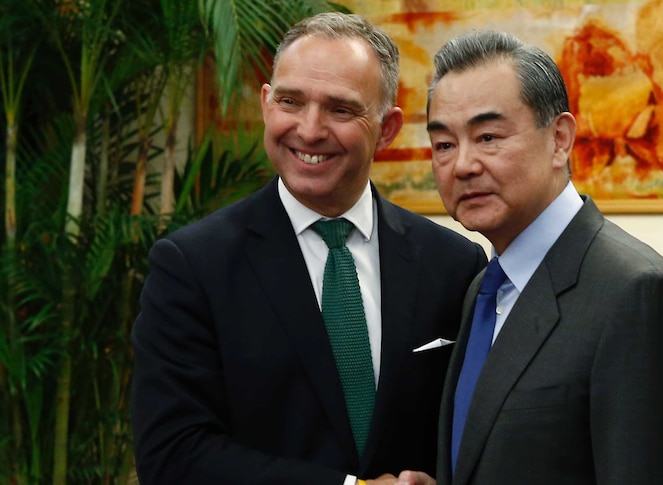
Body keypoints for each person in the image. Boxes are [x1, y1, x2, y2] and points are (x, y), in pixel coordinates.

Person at [131, 13, 486, 485]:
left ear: (387, 127)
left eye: (341, 110)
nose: (310, 129)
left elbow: (474, 432)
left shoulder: (456, 265)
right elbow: (173, 454)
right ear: (265, 104)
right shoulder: (192, 266)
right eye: (290, 102)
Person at [425, 30, 663, 484]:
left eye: (488, 136)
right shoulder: (485, 287)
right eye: (443, 144)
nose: (462, 164)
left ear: (559, 139)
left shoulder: (635, 293)